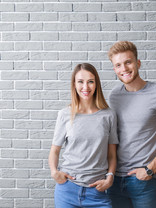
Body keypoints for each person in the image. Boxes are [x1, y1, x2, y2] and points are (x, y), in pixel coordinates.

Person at [107, 41, 156, 208]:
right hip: (115, 181)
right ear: (114, 69)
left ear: (138, 63)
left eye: (128, 62)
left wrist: (150, 169)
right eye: (118, 65)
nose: (124, 69)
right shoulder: (114, 96)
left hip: (144, 182)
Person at [48, 63, 119, 208]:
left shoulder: (109, 115)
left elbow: (112, 153)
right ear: (74, 84)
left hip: (97, 191)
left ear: (96, 84)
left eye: (90, 81)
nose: (85, 87)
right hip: (67, 190)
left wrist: (110, 177)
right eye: (80, 81)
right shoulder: (65, 114)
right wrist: (54, 172)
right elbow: (55, 150)